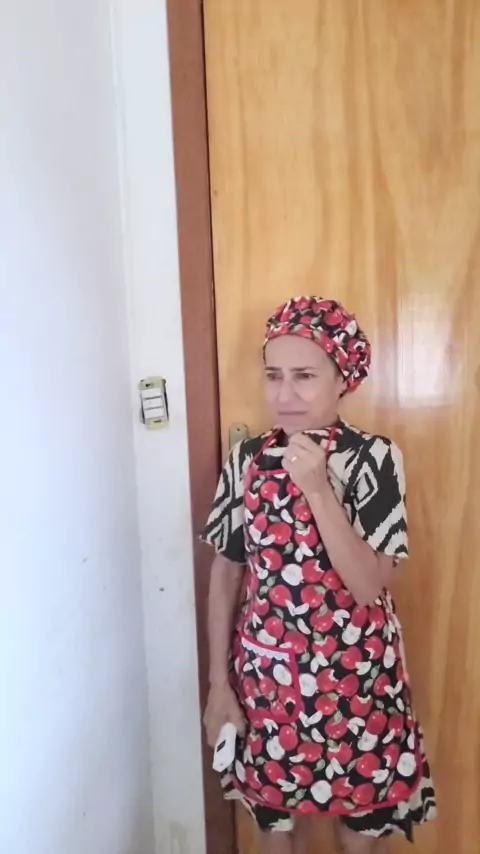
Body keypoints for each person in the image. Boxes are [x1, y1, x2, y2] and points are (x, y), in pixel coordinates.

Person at [202, 296, 436, 854]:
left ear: (342, 379)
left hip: (360, 678)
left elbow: (367, 585)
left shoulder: (375, 458)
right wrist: (218, 686)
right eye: (274, 376)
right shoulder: (246, 460)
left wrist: (316, 488)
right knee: (275, 822)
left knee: (362, 825)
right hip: (269, 676)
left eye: (304, 376)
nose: (285, 395)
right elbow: (226, 572)